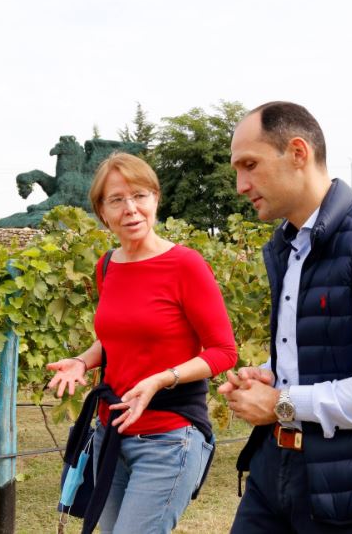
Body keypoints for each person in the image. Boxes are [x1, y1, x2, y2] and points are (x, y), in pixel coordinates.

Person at [218, 101, 352, 533]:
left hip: (347, 488)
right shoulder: (290, 246)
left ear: (298, 153)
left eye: (250, 165)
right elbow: (319, 349)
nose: (240, 186)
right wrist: (271, 373)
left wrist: (280, 403)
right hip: (274, 471)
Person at [47, 152, 238, 534]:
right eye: (117, 199)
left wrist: (161, 379)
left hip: (168, 437)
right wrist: (83, 361)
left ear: (155, 199)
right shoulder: (107, 266)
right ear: (102, 212)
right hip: (110, 434)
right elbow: (116, 337)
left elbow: (224, 352)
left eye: (139, 195)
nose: (130, 209)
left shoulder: (185, 265)